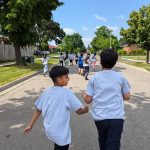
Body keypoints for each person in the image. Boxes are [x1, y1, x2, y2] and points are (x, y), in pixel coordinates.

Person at [24, 66, 89, 150]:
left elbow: (38, 110)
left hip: (50, 130)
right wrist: (87, 109)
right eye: (66, 77)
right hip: (61, 132)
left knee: (57, 145)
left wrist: (30, 125)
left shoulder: (46, 92)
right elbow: (79, 111)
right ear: (59, 79)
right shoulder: (67, 93)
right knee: (62, 146)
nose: (68, 79)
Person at [82, 49, 131, 150]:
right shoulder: (120, 77)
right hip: (117, 117)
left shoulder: (94, 78)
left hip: (100, 117)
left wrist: (83, 95)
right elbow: (127, 96)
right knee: (113, 144)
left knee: (103, 139)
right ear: (115, 62)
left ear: (101, 62)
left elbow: (88, 100)